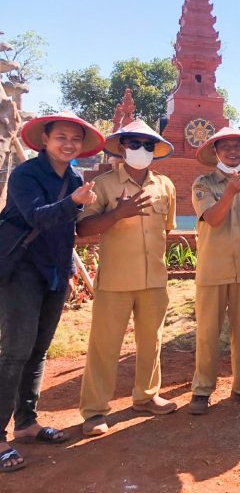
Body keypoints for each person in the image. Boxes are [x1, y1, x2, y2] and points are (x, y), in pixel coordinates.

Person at [0, 112, 103, 473]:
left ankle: (26, 423)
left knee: (38, 350)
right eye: (61, 137)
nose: (68, 144)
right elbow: (37, 217)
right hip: (22, 270)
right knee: (15, 352)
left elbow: (66, 231)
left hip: (55, 272)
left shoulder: (74, 178)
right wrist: (73, 201)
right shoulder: (26, 174)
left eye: (75, 139)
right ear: (44, 140)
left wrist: (69, 270)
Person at [77, 120, 177, 436]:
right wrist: (117, 214)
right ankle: (94, 411)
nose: (141, 150)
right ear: (122, 147)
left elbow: (167, 229)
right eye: (134, 143)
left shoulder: (165, 185)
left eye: (148, 145)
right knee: (104, 347)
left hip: (154, 279)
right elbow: (83, 229)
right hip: (116, 280)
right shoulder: (104, 185)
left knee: (151, 342)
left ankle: (146, 397)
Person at [188, 128, 240, 415]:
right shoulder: (204, 183)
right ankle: (202, 390)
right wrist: (231, 191)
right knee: (208, 332)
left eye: (238, 146)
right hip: (213, 269)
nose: (233, 151)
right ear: (216, 152)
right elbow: (212, 218)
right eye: (226, 147)